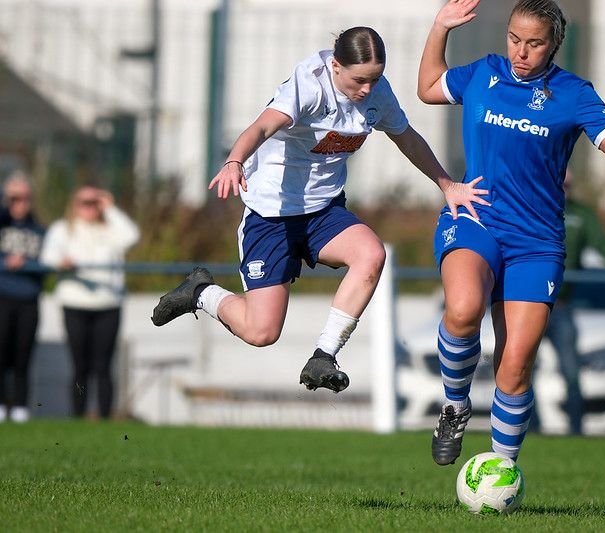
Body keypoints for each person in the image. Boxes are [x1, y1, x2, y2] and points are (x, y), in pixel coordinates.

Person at [150, 27, 487, 394]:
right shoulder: (309, 85)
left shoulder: (377, 94)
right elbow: (263, 126)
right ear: (336, 66)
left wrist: (447, 184)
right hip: (272, 214)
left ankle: (323, 355)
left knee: (371, 254)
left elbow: (406, 136)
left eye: (375, 79)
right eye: (359, 80)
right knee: (260, 332)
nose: (367, 89)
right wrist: (234, 161)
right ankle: (200, 292)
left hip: (323, 210)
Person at [417, 0, 605, 465]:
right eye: (514, 39)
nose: (521, 51)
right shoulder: (483, 73)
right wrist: (440, 27)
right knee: (462, 309)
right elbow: (426, 88)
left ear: (554, 44)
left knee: (516, 363)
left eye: (535, 43)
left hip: (537, 243)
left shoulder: (574, 93)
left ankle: (501, 471)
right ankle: (456, 405)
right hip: (477, 217)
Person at [535, 169, 605, 435]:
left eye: (568, 185)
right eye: (560, 183)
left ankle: (576, 431)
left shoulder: (581, 215)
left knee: (571, 371)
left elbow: (602, 243)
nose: (564, 189)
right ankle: (530, 428)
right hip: (529, 305)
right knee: (520, 370)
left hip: (560, 307)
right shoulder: (532, 208)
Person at [40, 185, 140, 419]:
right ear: (74, 205)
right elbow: (48, 255)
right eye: (84, 202)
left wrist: (111, 209)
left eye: (95, 202)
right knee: (79, 367)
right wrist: (61, 261)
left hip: (108, 304)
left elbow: (132, 236)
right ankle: (78, 416)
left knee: (103, 367)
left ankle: (105, 419)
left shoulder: (111, 229)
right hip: (75, 304)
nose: (89, 208)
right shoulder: (62, 229)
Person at [0, 172, 46, 423]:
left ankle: (20, 408)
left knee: (22, 355)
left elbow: (49, 259)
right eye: (14, 198)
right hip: (2, 297)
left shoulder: (39, 229)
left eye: (25, 198)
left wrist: (25, 262)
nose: (20, 203)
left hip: (28, 299)